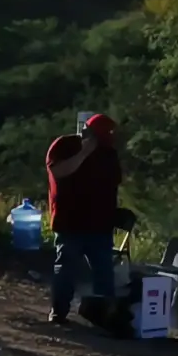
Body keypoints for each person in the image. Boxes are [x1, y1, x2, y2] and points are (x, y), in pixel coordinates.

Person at [45, 113, 123, 324]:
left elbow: (113, 183)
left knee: (104, 273)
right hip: (70, 222)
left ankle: (102, 315)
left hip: (100, 225)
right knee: (66, 270)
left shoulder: (108, 153)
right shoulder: (64, 146)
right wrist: (85, 152)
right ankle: (58, 312)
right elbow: (59, 172)